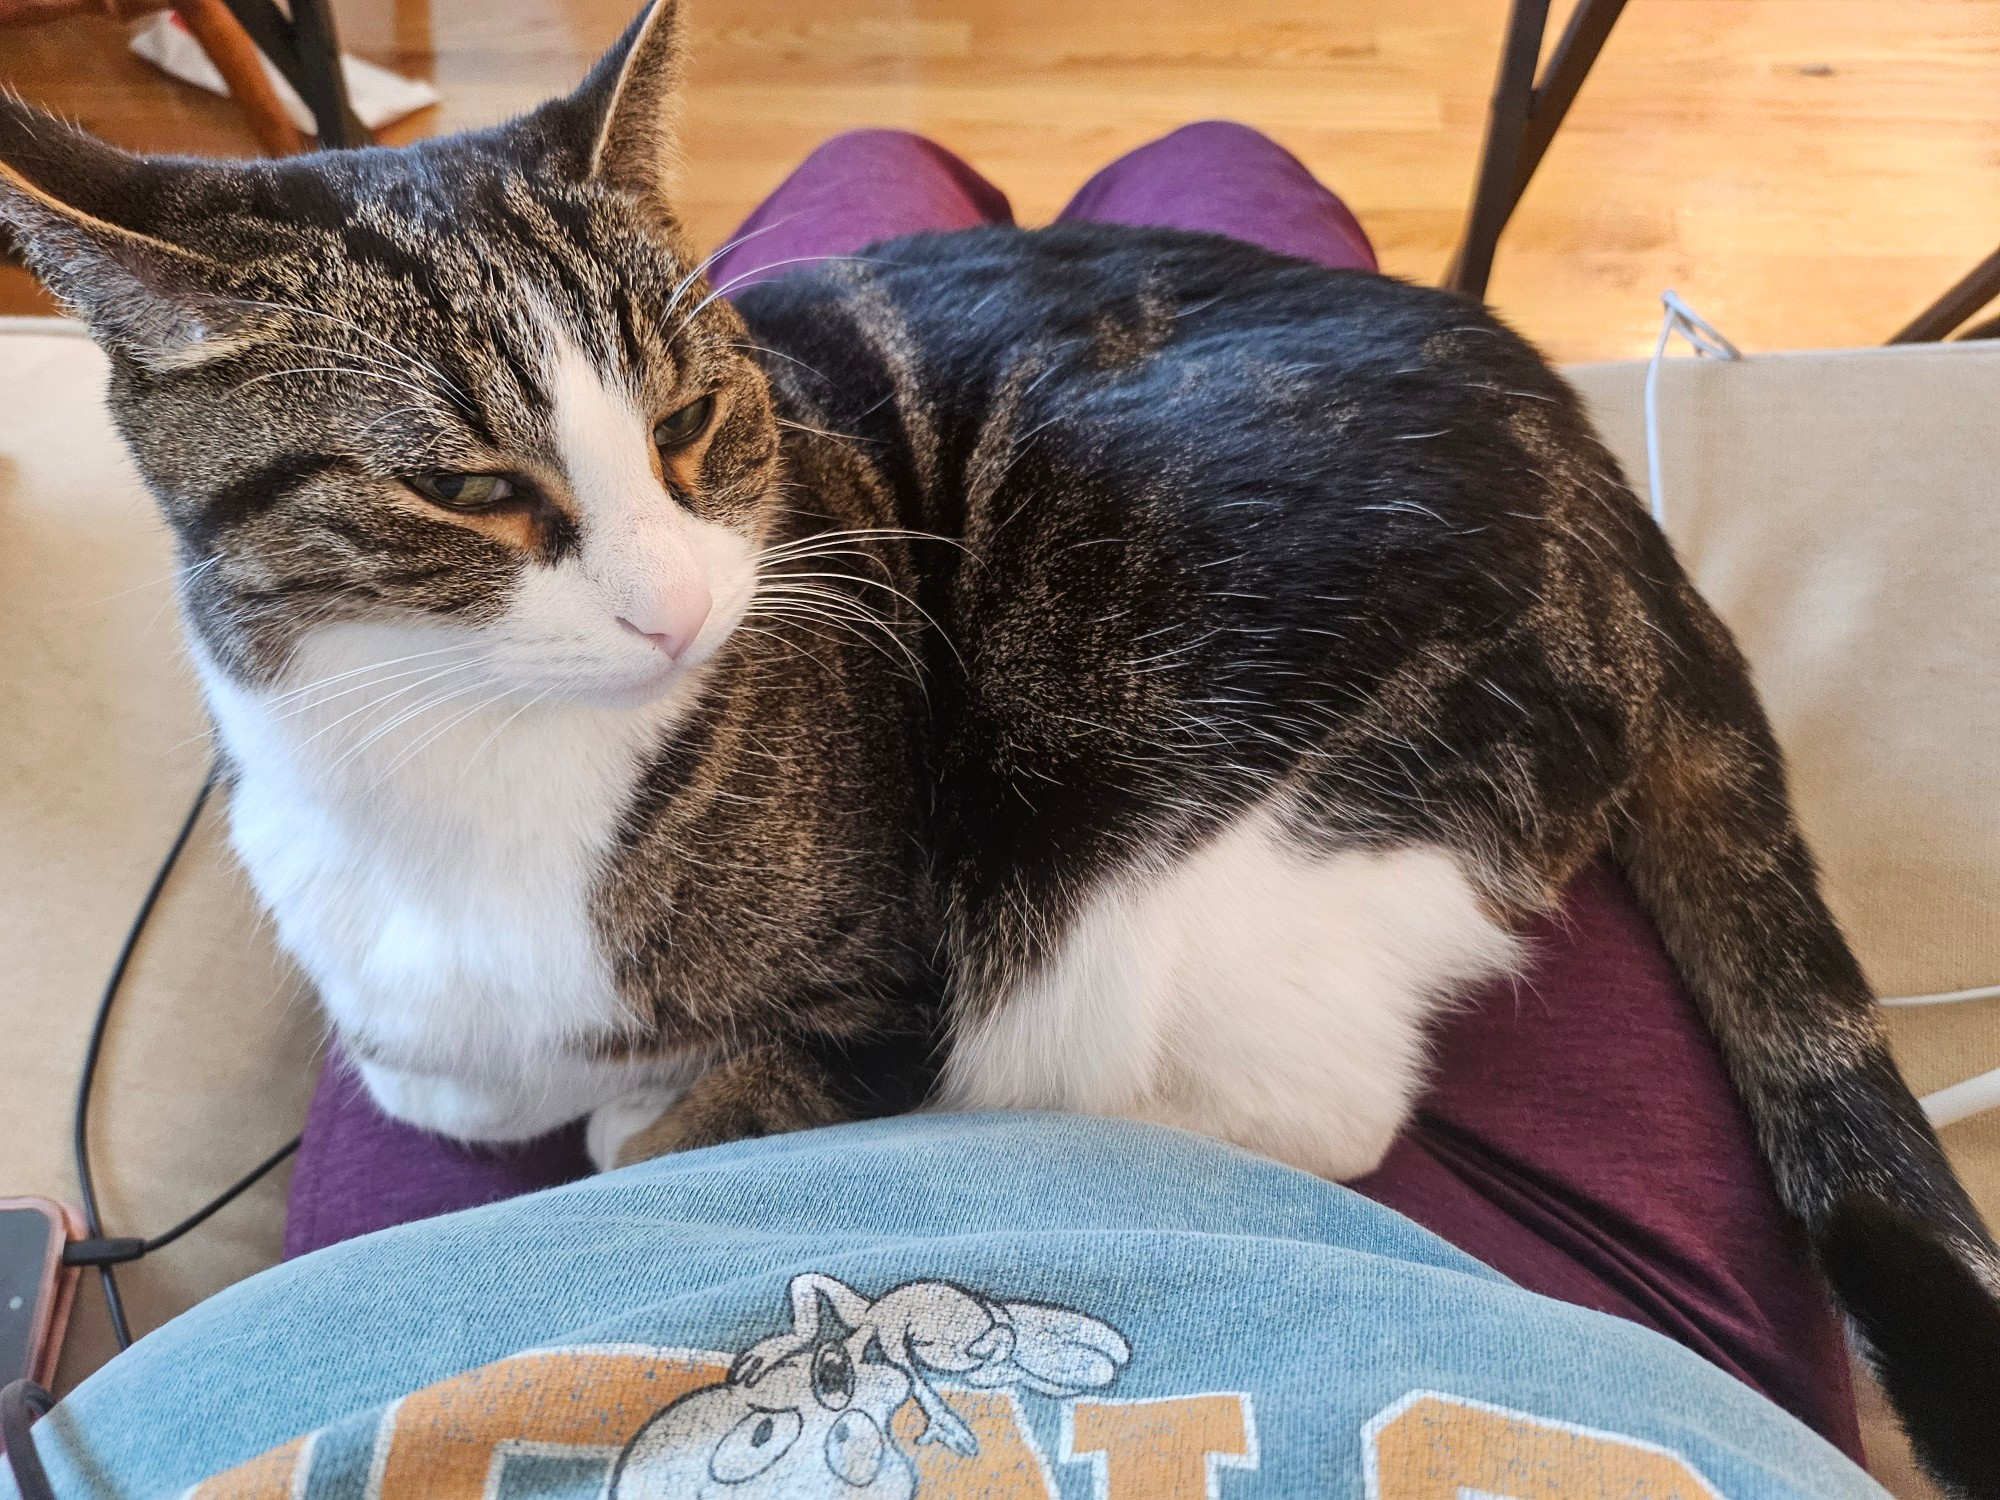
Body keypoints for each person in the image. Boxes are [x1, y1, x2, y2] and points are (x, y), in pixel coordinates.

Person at [5, 126, 1881, 1500]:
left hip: (1298, 596)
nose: (678, 597)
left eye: (687, 446)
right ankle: (1118, 177)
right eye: (477, 496)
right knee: (1197, 166)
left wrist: (668, 1126)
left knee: (873, 185)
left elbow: (869, 1002)